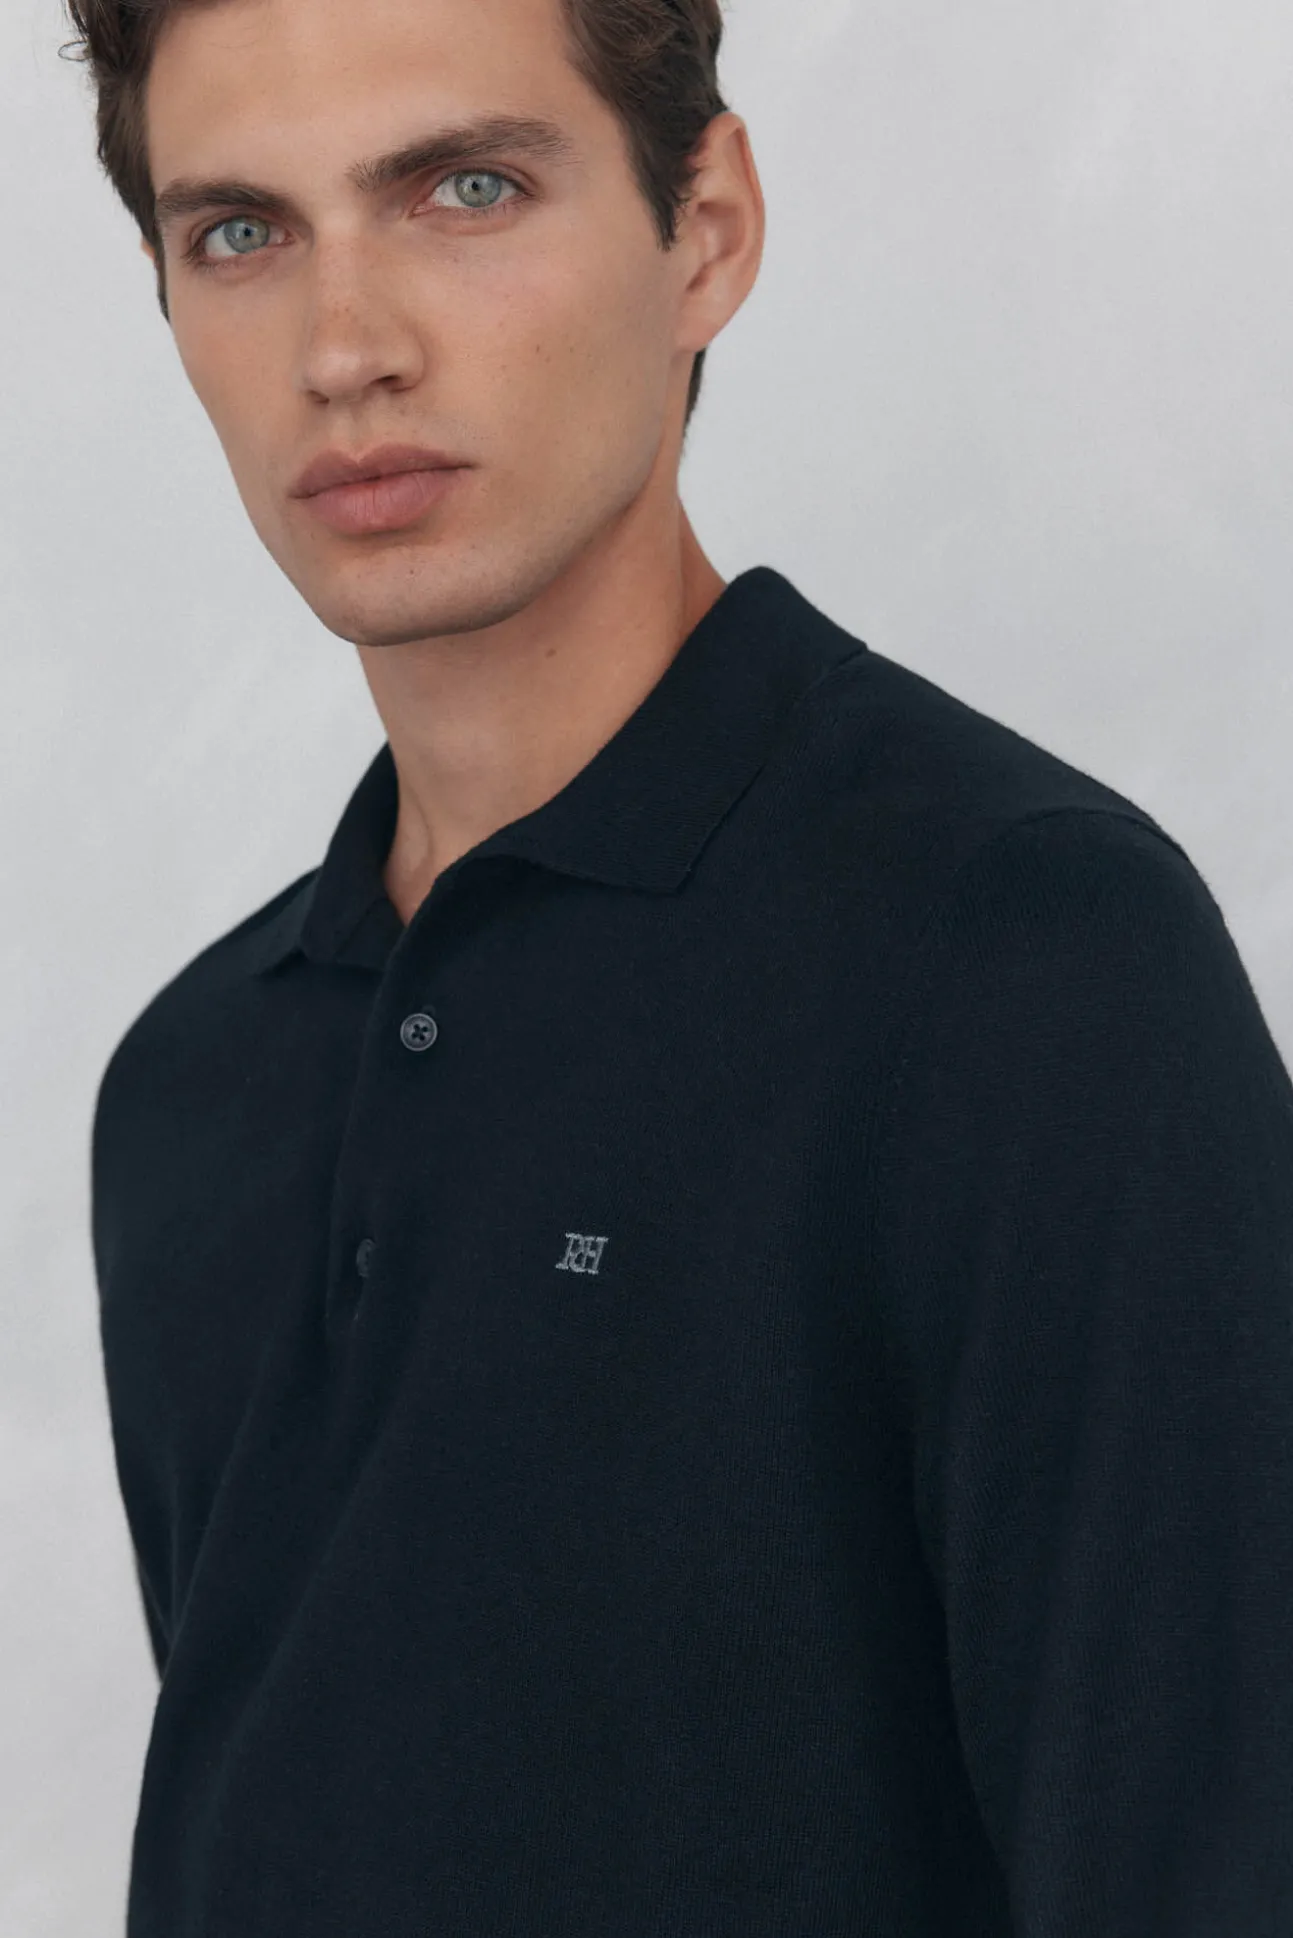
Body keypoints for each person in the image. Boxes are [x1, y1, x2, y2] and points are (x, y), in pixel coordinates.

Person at [71, 0, 1293, 1933]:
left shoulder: (1027, 964)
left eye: (467, 189)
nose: (342, 346)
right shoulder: (188, 1088)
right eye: (240, 231)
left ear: (705, 231)